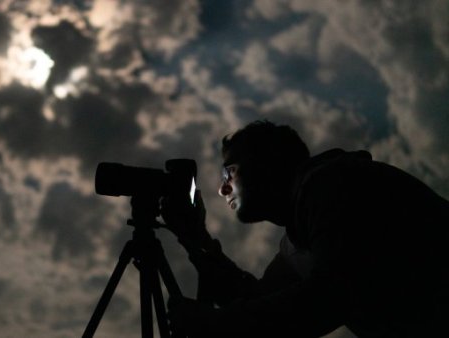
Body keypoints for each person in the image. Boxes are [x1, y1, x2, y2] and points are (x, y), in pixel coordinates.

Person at [161, 120, 449, 337]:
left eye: (230, 171)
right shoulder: (299, 235)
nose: (223, 188)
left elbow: (326, 300)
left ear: (267, 160)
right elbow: (258, 298)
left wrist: (213, 323)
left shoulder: (335, 185)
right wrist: (195, 237)